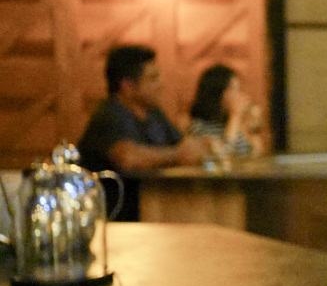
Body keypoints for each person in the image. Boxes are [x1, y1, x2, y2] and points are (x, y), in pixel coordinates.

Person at [77, 45, 206, 221]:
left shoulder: (154, 115)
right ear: (128, 87)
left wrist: (198, 146)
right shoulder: (110, 115)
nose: (161, 84)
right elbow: (128, 158)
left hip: (153, 213)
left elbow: (184, 144)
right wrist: (177, 155)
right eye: (153, 78)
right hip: (116, 224)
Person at [188, 64, 265, 158]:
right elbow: (221, 158)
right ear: (216, 94)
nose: (238, 95)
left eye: (238, 89)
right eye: (232, 90)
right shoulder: (199, 127)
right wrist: (235, 116)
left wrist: (251, 129)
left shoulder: (235, 123)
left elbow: (255, 155)